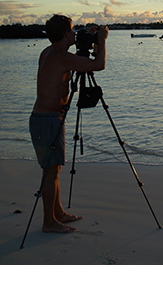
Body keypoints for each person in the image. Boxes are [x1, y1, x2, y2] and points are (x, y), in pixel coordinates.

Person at [29, 14, 109, 233]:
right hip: (47, 121)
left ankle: (58, 212)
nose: (75, 33)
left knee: (54, 169)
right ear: (65, 34)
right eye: (73, 31)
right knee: (50, 172)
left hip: (48, 119)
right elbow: (98, 65)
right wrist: (101, 40)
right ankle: (49, 222)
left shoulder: (49, 52)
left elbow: (74, 62)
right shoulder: (60, 57)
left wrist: (87, 38)